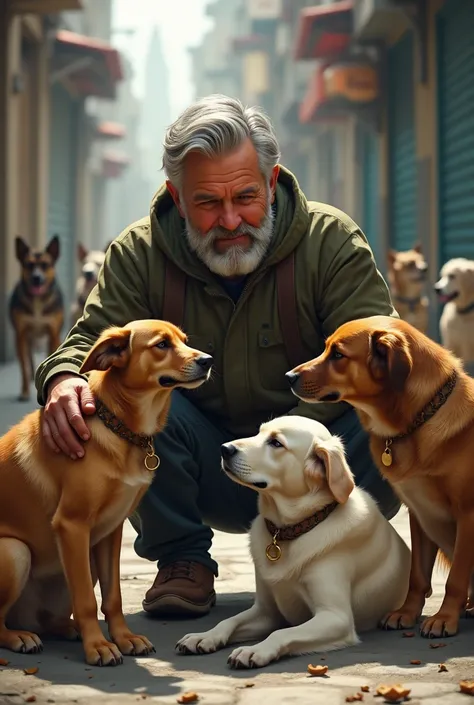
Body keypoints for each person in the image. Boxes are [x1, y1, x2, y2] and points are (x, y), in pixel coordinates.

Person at [35, 94, 400, 619]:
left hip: (325, 475)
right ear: (176, 199)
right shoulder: (138, 254)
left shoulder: (330, 242)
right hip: (200, 470)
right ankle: (182, 559)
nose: (231, 220)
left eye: (246, 197)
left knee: (401, 411)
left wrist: (293, 439)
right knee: (114, 404)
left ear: (271, 184)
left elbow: (384, 352)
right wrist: (64, 381)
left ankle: (363, 554)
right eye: (208, 203)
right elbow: (87, 340)